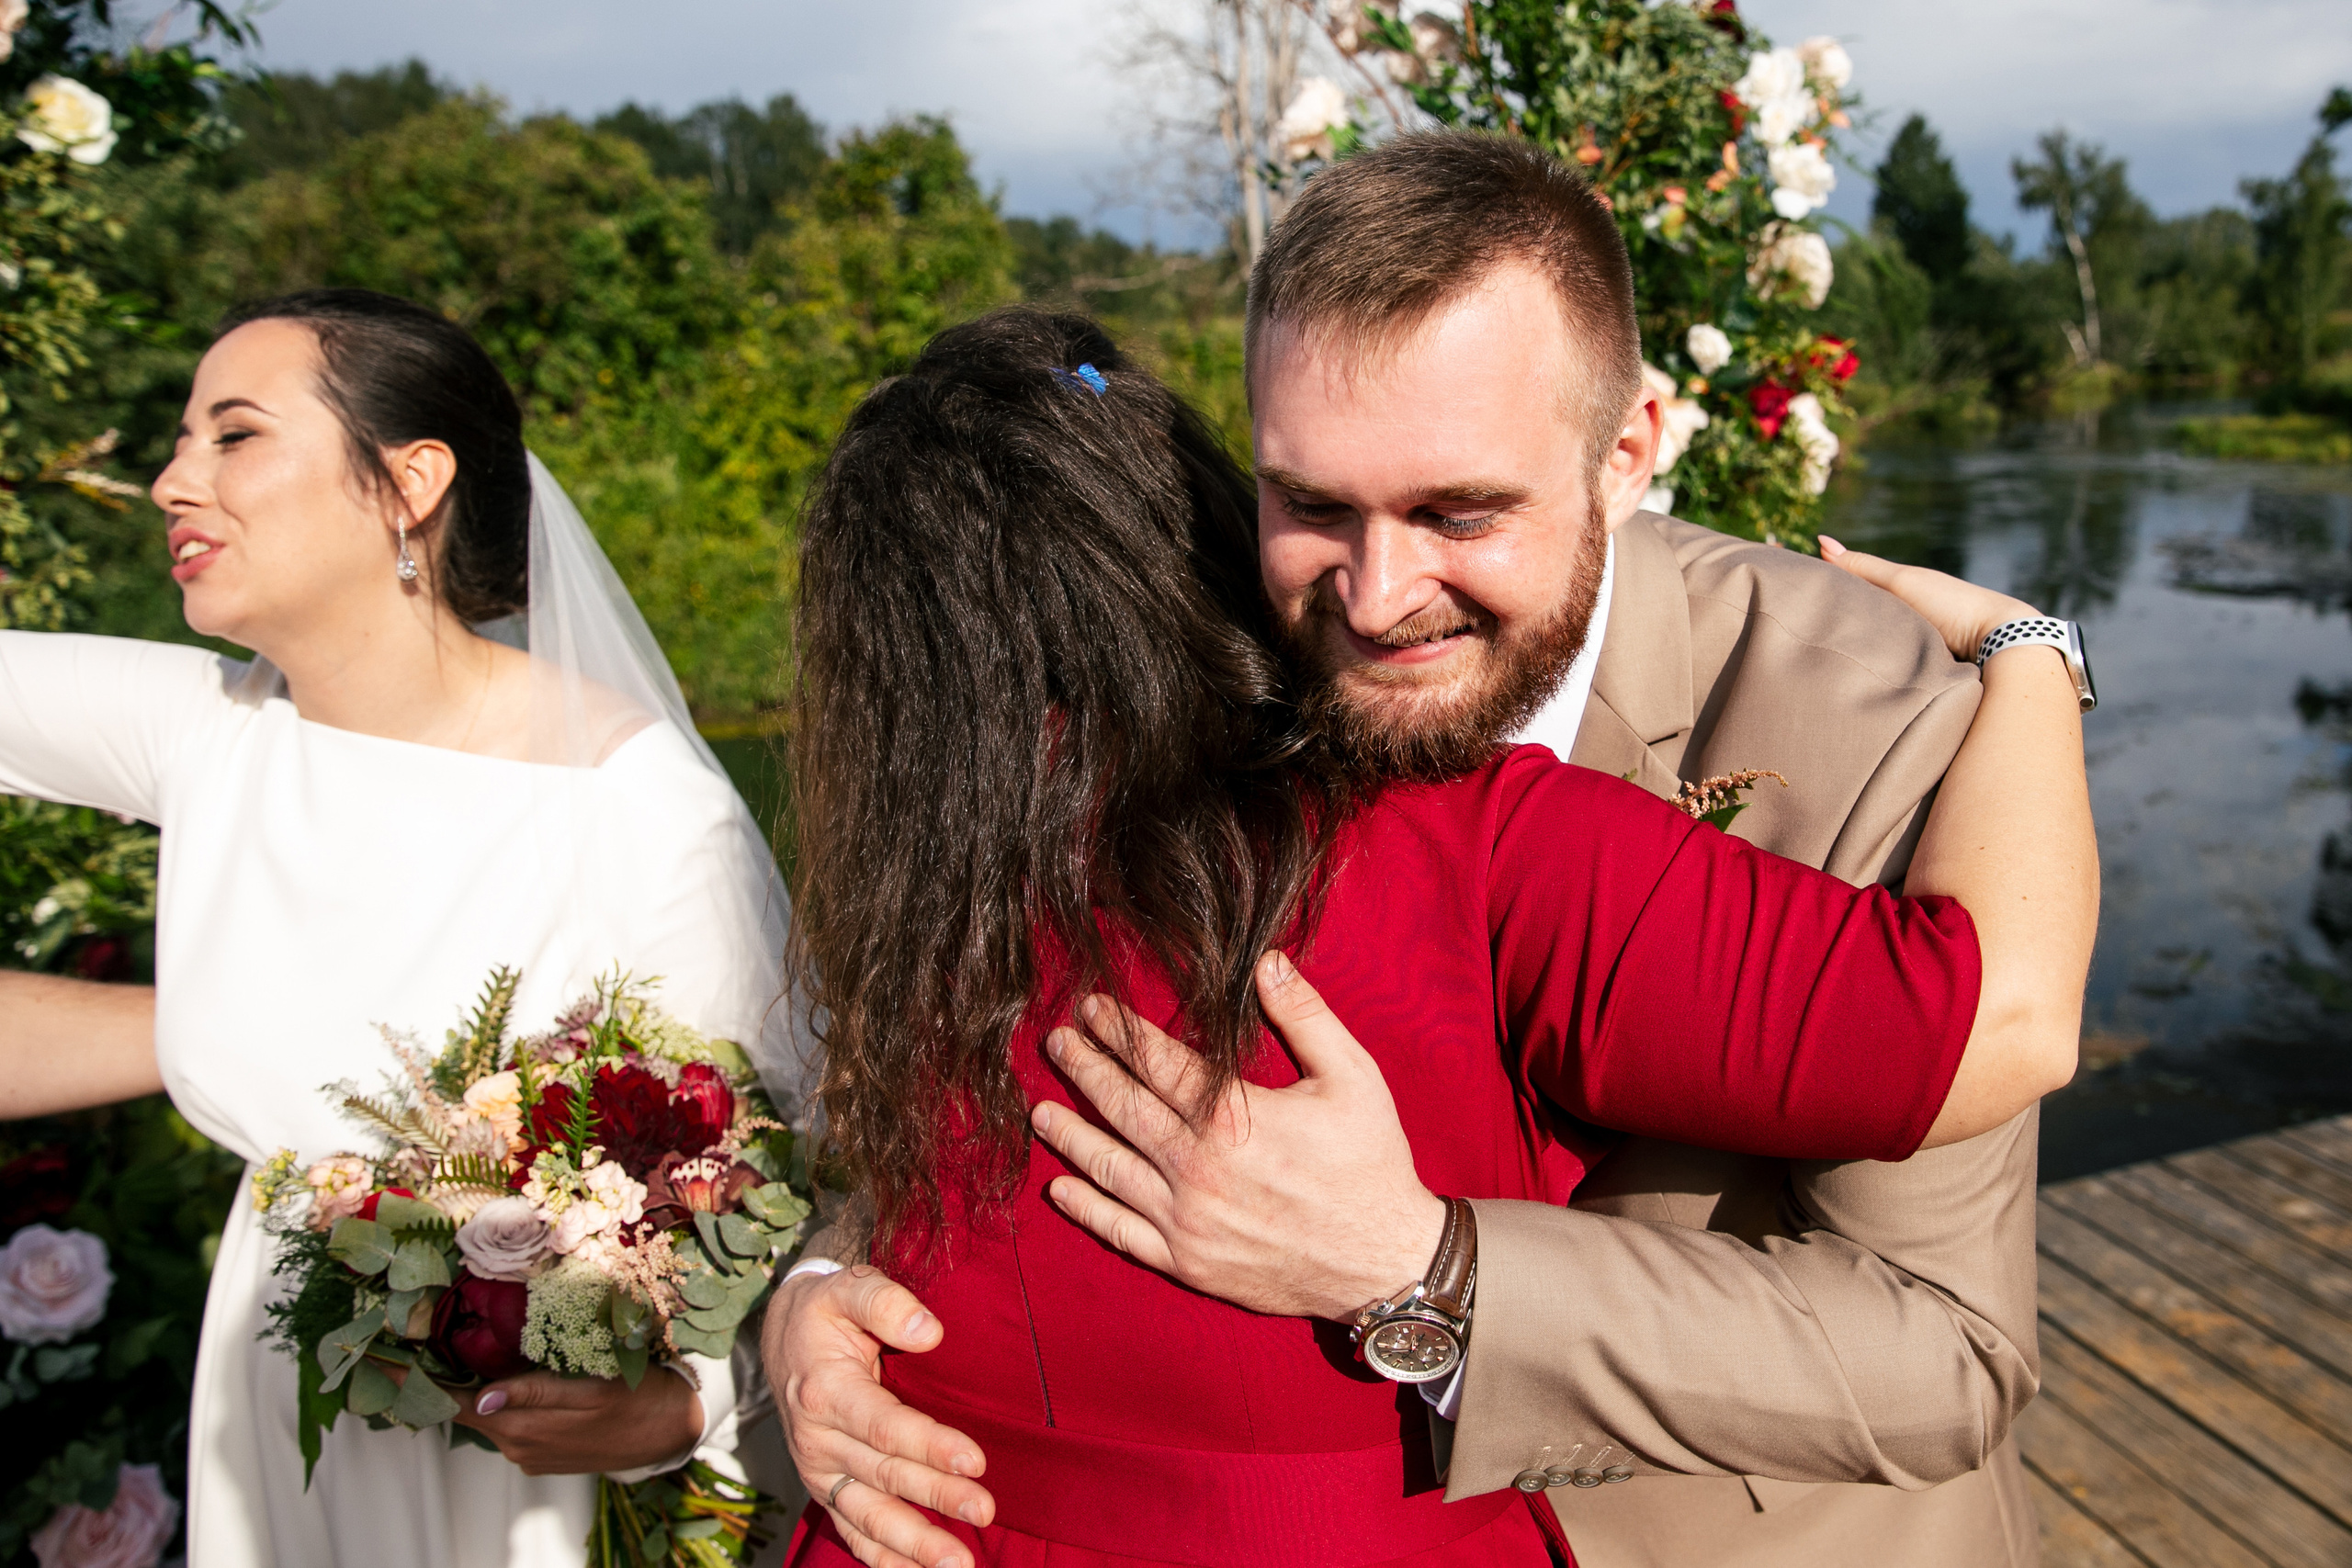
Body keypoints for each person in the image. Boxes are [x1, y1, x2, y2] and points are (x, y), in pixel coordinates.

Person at [766, 134, 2077, 1568]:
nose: (1378, 601)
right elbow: (978, 1005)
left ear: (1628, 451)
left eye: (1461, 513)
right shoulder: (1225, 650)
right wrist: (828, 1288)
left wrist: (1429, 1271)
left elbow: (1948, 1352)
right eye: (1315, 504)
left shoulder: (1876, 728)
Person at [0, 288, 791, 1566]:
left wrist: (676, 1405)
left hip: (518, 1482)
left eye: (233, 435)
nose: (166, 481)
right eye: (180, 439)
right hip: (271, 1443)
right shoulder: (216, 731)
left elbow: (788, 1182)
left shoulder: (640, 811)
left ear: (409, 480)